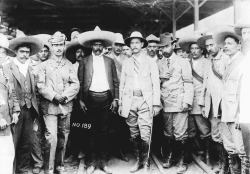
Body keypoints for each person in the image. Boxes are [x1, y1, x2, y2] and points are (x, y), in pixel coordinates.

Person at [37, 31, 80, 174]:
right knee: (52, 138)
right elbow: (41, 86)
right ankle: (48, 168)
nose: (58, 48)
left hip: (66, 107)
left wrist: (65, 96)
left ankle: (59, 166)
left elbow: (75, 84)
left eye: (60, 45)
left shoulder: (69, 65)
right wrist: (54, 96)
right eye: (55, 45)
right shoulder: (44, 65)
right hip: (50, 107)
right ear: (51, 47)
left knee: (63, 137)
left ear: (64, 46)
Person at [77, 26, 118, 174]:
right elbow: (80, 83)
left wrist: (116, 99)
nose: (98, 47)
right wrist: (80, 100)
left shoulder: (109, 61)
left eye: (100, 44)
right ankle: (91, 163)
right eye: (95, 44)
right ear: (91, 46)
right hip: (90, 100)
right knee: (90, 132)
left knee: (105, 132)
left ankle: (104, 162)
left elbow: (115, 82)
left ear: (104, 46)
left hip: (106, 99)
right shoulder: (85, 61)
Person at [119, 31, 161, 174]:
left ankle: (146, 162)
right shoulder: (126, 62)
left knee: (145, 132)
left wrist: (156, 103)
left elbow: (156, 83)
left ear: (142, 44)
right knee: (133, 133)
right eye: (132, 43)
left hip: (145, 100)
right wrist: (120, 104)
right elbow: (122, 84)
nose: (135, 45)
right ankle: (138, 160)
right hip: (130, 101)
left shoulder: (150, 62)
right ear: (129, 45)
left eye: (137, 42)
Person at [157, 34, 194, 173]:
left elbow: (189, 83)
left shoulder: (183, 62)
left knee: (181, 133)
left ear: (173, 45)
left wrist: (187, 101)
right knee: (168, 133)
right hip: (165, 103)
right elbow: (155, 83)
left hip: (179, 103)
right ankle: (170, 158)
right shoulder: (158, 63)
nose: (164, 50)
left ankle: (182, 161)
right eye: (162, 48)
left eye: (166, 46)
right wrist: (160, 77)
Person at [215, 26, 248, 174]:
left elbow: (245, 91)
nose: (226, 46)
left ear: (239, 45)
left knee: (242, 151)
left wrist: (242, 115)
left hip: (237, 115)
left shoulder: (243, 63)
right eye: (225, 44)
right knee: (231, 149)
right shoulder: (228, 62)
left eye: (230, 43)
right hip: (226, 112)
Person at [8, 35, 42, 174]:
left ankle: (23, 169)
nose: (25, 55)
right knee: (13, 143)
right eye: (22, 52)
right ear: (16, 51)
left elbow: (35, 91)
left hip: (29, 109)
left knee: (26, 143)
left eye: (27, 52)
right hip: (15, 111)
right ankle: (11, 170)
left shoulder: (31, 68)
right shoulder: (8, 67)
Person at [197, 31, 230, 173]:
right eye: (207, 46)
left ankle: (227, 167)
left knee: (227, 137)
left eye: (212, 45)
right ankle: (223, 164)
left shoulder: (227, 59)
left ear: (219, 45)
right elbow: (205, 84)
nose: (209, 48)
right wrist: (202, 103)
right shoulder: (209, 61)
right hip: (212, 106)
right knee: (216, 136)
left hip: (224, 106)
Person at [179, 36, 211, 167]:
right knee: (190, 131)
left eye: (197, 48)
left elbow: (207, 83)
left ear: (202, 50)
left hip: (199, 100)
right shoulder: (185, 62)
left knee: (204, 130)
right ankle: (196, 152)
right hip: (187, 101)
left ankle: (207, 156)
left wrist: (203, 101)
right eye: (192, 48)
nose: (194, 51)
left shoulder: (207, 63)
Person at [30, 34, 52, 174]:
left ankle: (48, 162)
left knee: (49, 132)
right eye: (41, 51)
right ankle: (38, 162)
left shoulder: (51, 65)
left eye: (45, 51)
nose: (43, 53)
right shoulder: (32, 66)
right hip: (36, 102)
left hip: (49, 103)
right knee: (36, 132)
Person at [0, 33, 20, 174]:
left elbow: (13, 93)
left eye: (3, 53)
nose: (0, 55)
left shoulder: (6, 70)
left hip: (6, 120)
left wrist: (16, 110)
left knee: (8, 154)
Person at [235, 18, 250, 173]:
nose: (246, 36)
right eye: (244, 33)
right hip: (246, 111)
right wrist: (239, 112)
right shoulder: (244, 57)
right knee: (248, 149)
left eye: (249, 32)